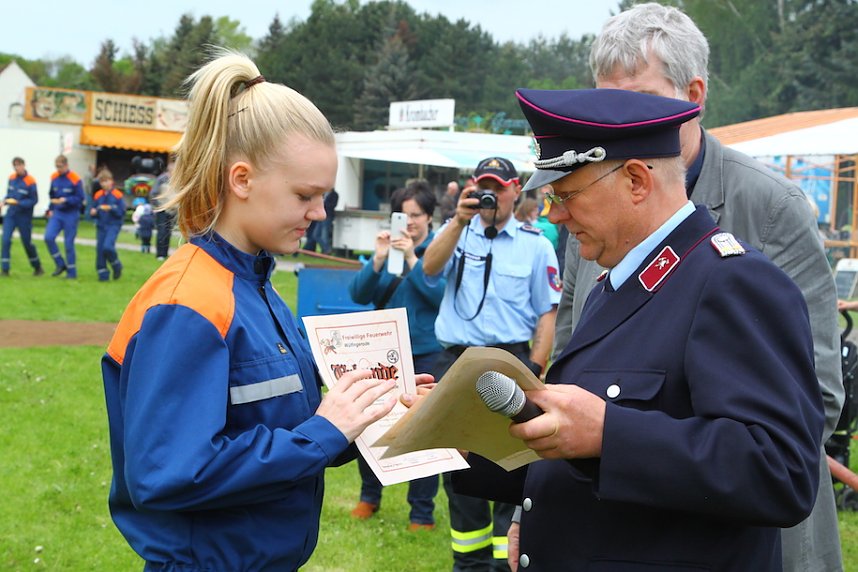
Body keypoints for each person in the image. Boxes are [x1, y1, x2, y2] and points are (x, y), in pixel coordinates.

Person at [449, 87, 823, 571]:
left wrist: (611, 433)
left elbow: (781, 473)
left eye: (566, 196)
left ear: (636, 181)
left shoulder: (732, 281)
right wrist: (463, 442)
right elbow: (578, 453)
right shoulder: (620, 282)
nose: (554, 216)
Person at [548, 5, 844, 570]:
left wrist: (620, 442)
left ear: (694, 95)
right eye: (604, 102)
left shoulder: (770, 207)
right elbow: (575, 367)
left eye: (636, 100)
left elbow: (815, 400)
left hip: (725, 539)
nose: (615, 120)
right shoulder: (591, 207)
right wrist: (540, 498)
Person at [100, 50, 409, 571]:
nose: (319, 213)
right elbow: (166, 474)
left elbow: (291, 435)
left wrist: (369, 415)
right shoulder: (188, 302)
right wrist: (322, 432)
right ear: (241, 180)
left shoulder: (258, 286)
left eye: (326, 197)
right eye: (305, 195)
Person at [422, 156, 561, 571]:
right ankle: (468, 563)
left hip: (511, 363)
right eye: (484, 186)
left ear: (516, 190)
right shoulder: (457, 234)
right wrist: (457, 222)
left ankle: (507, 563)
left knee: (510, 461)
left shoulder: (536, 244)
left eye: (499, 187)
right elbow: (429, 268)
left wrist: (535, 367)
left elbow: (547, 312)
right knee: (459, 467)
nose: (492, 195)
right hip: (457, 362)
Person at [347, 179, 445, 531]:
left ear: (429, 217)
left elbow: (440, 298)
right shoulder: (388, 248)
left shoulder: (439, 249)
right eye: (401, 216)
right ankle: (368, 496)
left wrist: (413, 259)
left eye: (415, 215)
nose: (409, 222)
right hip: (383, 352)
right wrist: (378, 258)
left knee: (424, 430)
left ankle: (421, 512)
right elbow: (359, 295)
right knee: (370, 425)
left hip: (426, 352)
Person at [44, 154, 85, 279]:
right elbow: (52, 195)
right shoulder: (54, 177)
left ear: (66, 165)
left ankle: (72, 273)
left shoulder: (75, 179)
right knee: (48, 237)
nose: (58, 169)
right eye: (57, 167)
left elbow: (80, 198)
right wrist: (50, 208)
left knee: (68, 243)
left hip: (71, 214)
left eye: (60, 167)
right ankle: (60, 264)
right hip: (58, 213)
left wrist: (66, 200)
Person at [2, 157, 43, 276]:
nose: (17, 168)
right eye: (15, 165)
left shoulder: (30, 181)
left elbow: (34, 200)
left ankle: (37, 267)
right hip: (11, 214)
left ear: (24, 165)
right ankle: (5, 269)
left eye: (19, 165)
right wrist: (4, 201)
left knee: (27, 242)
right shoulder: (11, 178)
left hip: (24, 216)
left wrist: (19, 203)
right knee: (5, 240)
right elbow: (9, 194)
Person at [89, 169, 125, 281]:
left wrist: (112, 208)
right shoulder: (98, 195)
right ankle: (103, 275)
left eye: (107, 181)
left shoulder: (117, 195)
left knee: (107, 247)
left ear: (111, 181)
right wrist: (93, 212)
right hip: (101, 225)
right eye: (102, 182)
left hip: (113, 225)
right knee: (100, 250)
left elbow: (121, 212)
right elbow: (94, 209)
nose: (105, 184)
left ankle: (116, 265)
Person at [150, 157, 176, 260]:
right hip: (162, 209)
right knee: (162, 231)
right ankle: (160, 254)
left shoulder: (178, 179)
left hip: (173, 210)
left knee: (168, 232)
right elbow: (153, 193)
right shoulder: (162, 179)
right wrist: (157, 205)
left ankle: (165, 253)